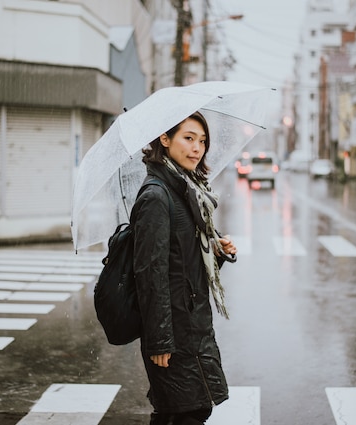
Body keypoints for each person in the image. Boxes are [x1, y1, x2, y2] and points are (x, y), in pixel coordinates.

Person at [132, 111, 237, 425]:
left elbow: (183, 260)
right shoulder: (156, 196)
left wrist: (216, 250)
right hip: (174, 330)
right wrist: (160, 340)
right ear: (165, 139)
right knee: (185, 411)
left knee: (190, 409)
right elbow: (150, 273)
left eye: (202, 141)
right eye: (188, 138)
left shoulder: (187, 190)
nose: (198, 148)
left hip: (193, 324)